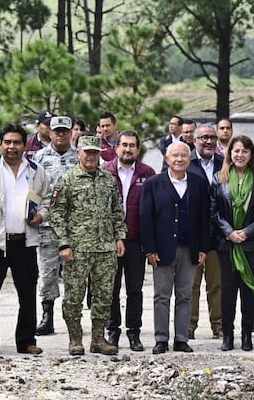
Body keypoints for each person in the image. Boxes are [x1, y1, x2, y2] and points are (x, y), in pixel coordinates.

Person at [0, 124, 50, 357]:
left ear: (25, 145)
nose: (12, 147)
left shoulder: (35, 170)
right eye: (7, 142)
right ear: (1, 144)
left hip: (25, 241)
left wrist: (41, 216)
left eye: (16, 142)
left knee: (28, 294)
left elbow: (46, 200)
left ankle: (26, 341)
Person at [48, 135, 126, 356]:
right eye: (86, 152)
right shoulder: (68, 180)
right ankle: (75, 339)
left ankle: (99, 340)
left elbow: (116, 212)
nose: (91, 156)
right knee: (74, 296)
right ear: (78, 153)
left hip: (105, 249)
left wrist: (119, 237)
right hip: (77, 250)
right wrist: (63, 244)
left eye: (95, 152)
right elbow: (57, 215)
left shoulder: (108, 179)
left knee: (104, 296)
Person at [140, 142, 210, 354]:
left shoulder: (199, 183)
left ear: (190, 159)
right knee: (161, 296)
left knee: (185, 295)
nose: (179, 159)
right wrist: (149, 249)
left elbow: (205, 218)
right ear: (166, 159)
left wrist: (203, 247)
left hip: (189, 247)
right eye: (175, 156)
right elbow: (145, 218)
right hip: (162, 250)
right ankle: (161, 338)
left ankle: (181, 338)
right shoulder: (153, 183)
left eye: (183, 156)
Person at [210, 135, 254, 352]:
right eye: (236, 150)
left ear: (251, 155)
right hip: (227, 246)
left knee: (248, 291)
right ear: (230, 153)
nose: (240, 154)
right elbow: (213, 211)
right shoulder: (219, 179)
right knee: (227, 292)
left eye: (245, 151)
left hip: (251, 245)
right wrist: (229, 232)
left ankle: (247, 335)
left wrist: (246, 232)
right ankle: (228, 336)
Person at [102, 130, 155, 352]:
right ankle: (112, 331)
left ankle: (134, 332)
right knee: (111, 289)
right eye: (124, 145)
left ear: (137, 149)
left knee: (135, 290)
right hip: (110, 242)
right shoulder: (104, 172)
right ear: (117, 148)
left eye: (132, 145)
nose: (128, 149)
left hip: (135, 241)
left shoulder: (147, 173)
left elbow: (153, 210)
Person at [33, 115, 79, 336]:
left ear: (71, 133)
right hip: (48, 225)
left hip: (75, 226)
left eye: (64, 131)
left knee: (75, 273)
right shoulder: (39, 158)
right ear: (49, 133)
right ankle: (47, 316)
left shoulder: (80, 157)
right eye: (56, 131)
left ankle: (73, 317)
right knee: (48, 271)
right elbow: (32, 191)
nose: (60, 135)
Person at [189, 123, 224, 340]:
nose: (209, 141)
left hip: (217, 235)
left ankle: (218, 325)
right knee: (190, 285)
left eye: (212, 137)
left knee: (217, 284)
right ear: (195, 141)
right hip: (191, 236)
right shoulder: (185, 162)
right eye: (204, 138)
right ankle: (189, 325)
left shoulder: (224, 164)